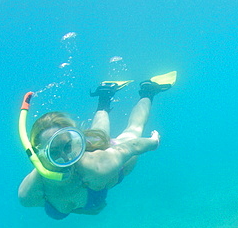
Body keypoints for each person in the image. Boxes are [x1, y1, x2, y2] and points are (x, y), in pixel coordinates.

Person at [17, 72, 175, 219]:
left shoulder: (96, 166)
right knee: (98, 131)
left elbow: (131, 146)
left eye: (67, 146)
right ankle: (105, 95)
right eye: (54, 152)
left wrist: (154, 142)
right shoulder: (29, 193)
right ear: (38, 154)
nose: (65, 158)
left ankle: (148, 90)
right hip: (96, 160)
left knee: (134, 129)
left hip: (115, 163)